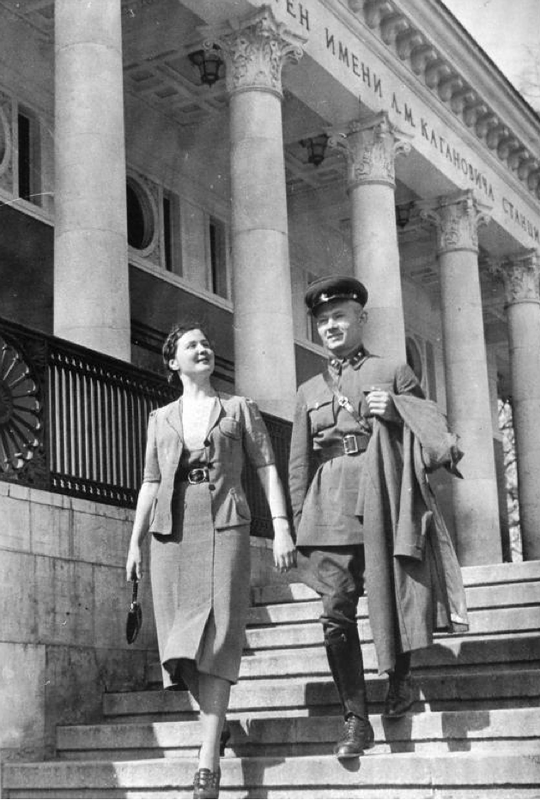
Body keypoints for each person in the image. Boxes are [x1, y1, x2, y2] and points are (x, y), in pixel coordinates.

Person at [288, 275, 468, 760]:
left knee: (392, 596)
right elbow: (299, 463)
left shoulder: (393, 371)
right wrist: (300, 519)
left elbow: (436, 434)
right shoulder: (308, 390)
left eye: (339, 316)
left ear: (360, 318)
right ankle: (354, 718)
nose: (330, 326)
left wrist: (395, 411)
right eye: (322, 321)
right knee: (335, 614)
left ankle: (400, 678)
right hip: (328, 510)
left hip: (382, 496)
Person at [126, 321, 296, 799]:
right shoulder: (160, 418)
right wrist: (134, 543)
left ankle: (207, 762)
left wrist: (281, 525)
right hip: (171, 530)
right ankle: (216, 724)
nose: (203, 349)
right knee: (176, 645)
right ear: (173, 361)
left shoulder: (239, 408)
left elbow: (266, 466)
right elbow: (150, 482)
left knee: (219, 634)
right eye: (191, 345)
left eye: (205, 343)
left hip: (225, 521)